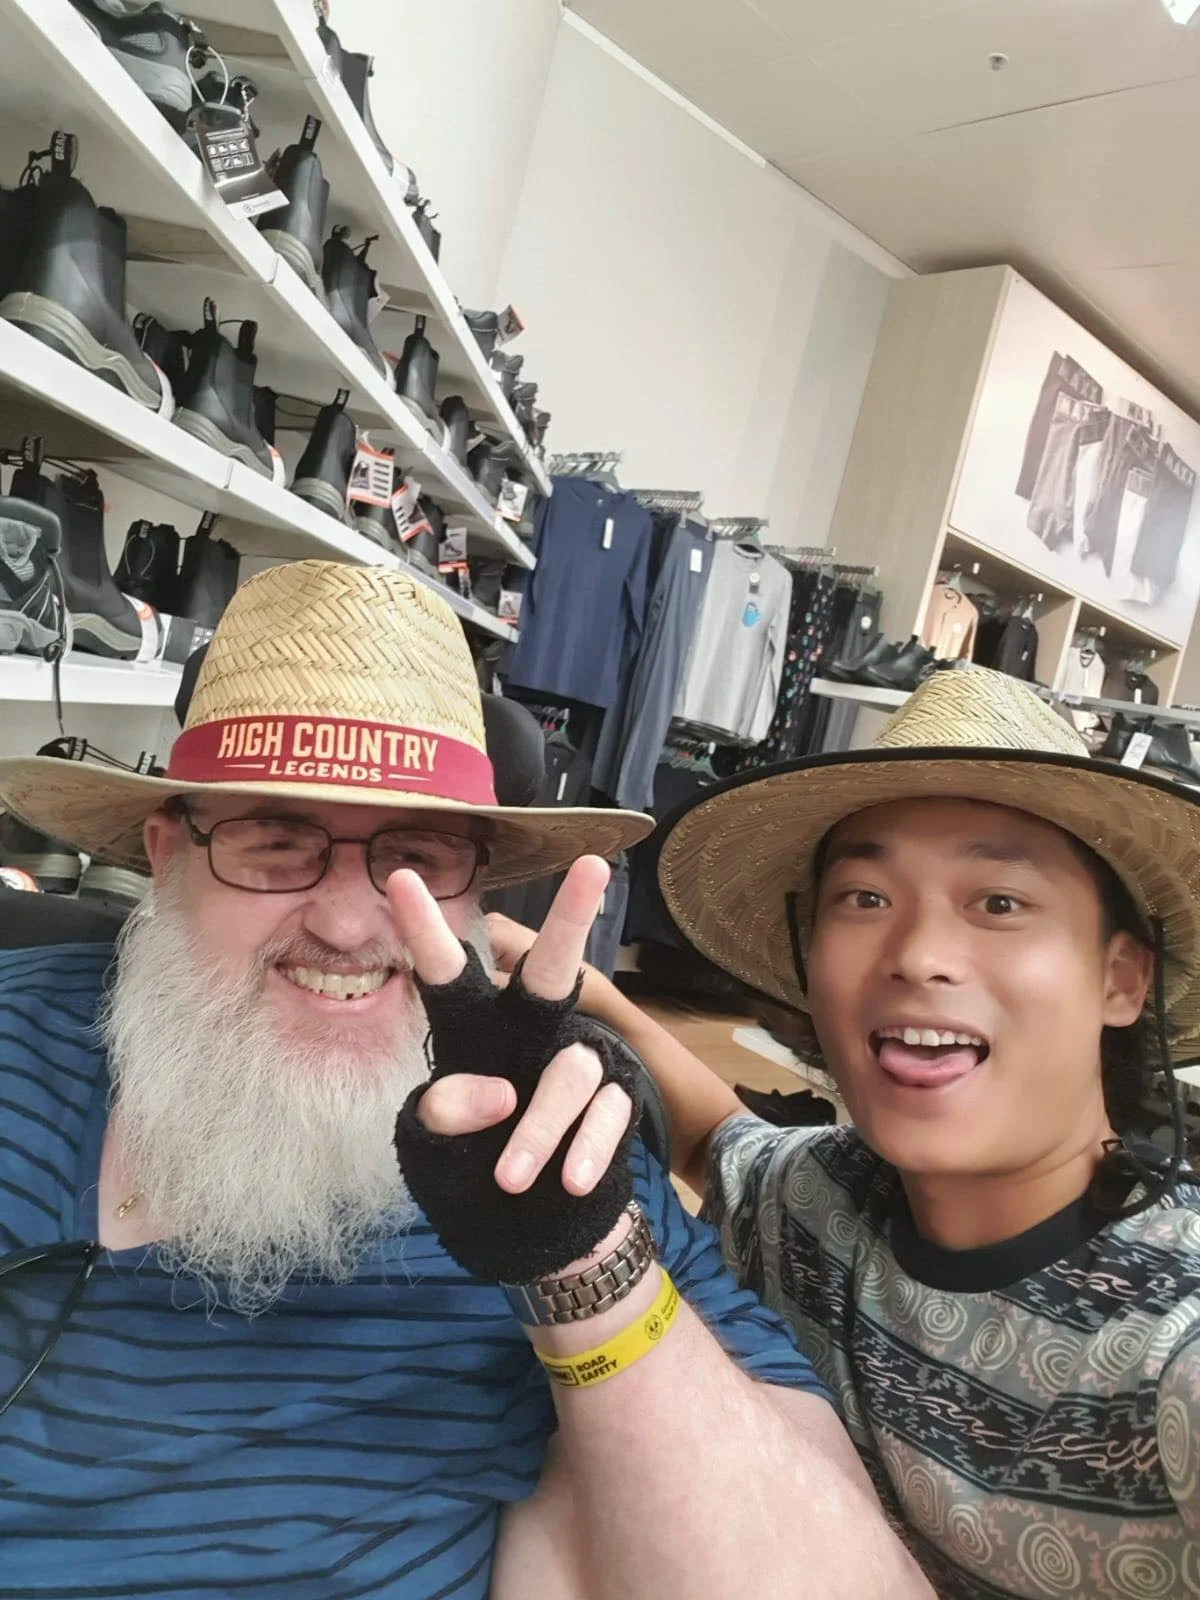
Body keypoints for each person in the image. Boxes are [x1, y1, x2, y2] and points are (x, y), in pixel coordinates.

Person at [0, 560, 927, 1599]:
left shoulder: (554, 1142)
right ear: (169, 854)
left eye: (421, 858)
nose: (352, 926)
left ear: (479, 891)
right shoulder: (13, 1025)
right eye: (273, 843)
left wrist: (577, 1267)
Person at [524, 664, 1200, 1596]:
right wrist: (551, 982)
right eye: (865, 900)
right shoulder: (825, 1199)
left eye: (999, 903)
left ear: (1122, 979)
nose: (919, 954)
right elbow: (714, 1133)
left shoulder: (1174, 1337)